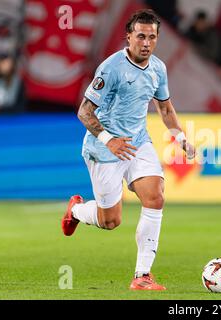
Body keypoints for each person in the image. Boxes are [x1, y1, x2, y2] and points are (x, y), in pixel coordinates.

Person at [61, 10, 195, 291]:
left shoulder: (158, 68)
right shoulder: (111, 68)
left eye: (152, 37)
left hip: (138, 142)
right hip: (104, 149)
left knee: (156, 197)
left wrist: (180, 138)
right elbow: (84, 112)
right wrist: (109, 139)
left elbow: (165, 107)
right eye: (141, 36)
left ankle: (142, 276)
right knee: (110, 221)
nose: (146, 42)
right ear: (129, 37)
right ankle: (77, 210)